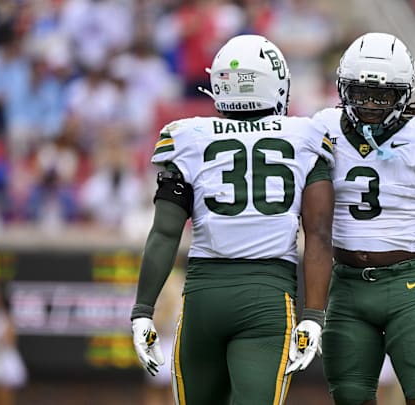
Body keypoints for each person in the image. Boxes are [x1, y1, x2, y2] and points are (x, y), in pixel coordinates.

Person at [130, 34, 335, 405]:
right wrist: (314, 315)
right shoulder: (305, 135)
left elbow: (164, 232)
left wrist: (143, 310)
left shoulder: (188, 135)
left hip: (203, 298)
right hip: (267, 297)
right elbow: (319, 234)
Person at [313, 32, 415, 405]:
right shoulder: (323, 130)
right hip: (347, 287)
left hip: (407, 287)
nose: (369, 103)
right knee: (350, 396)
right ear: (342, 88)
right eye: (360, 92)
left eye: (382, 94)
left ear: (403, 93)